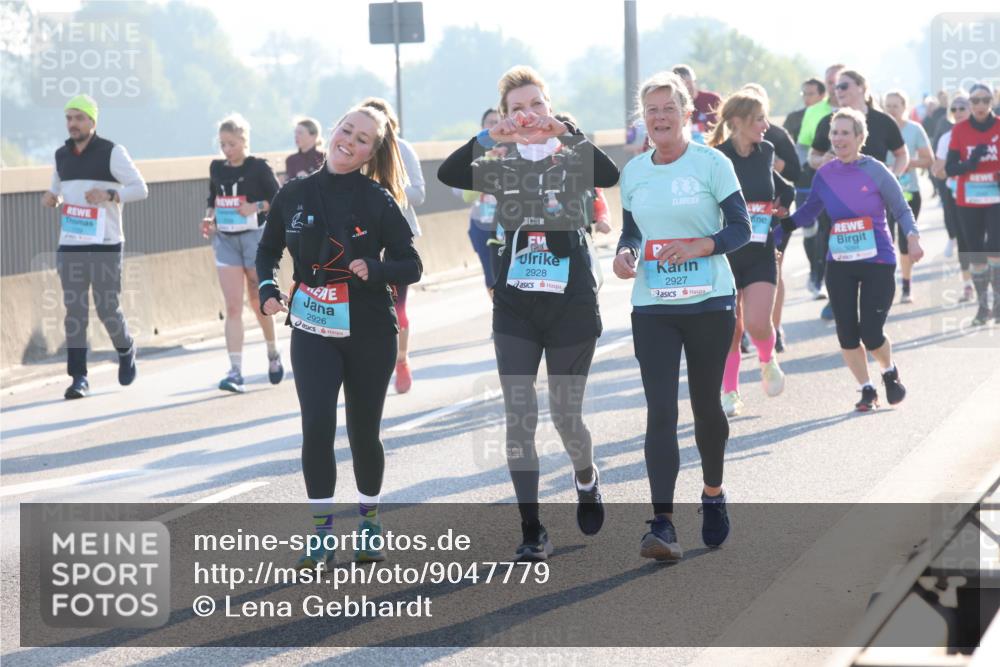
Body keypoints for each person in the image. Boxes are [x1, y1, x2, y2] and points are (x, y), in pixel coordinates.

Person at [438, 65, 620, 561]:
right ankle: (532, 529)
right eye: (517, 109)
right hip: (517, 305)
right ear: (507, 119)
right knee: (520, 417)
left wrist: (568, 132)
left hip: (572, 304)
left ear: (549, 106)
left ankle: (586, 478)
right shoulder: (503, 166)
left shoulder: (572, 159)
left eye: (536, 104)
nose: (529, 114)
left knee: (566, 417)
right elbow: (449, 173)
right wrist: (486, 135)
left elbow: (610, 175)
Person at [257, 103, 422, 567]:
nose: (350, 140)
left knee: (363, 432)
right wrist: (268, 286)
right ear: (333, 131)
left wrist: (376, 267)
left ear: (372, 152)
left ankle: (369, 521)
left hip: (369, 328)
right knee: (316, 427)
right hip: (313, 326)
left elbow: (412, 263)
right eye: (347, 130)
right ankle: (321, 532)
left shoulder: (378, 200)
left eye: (363, 138)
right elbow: (268, 249)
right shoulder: (294, 194)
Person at [614, 71, 751, 561]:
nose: (659, 117)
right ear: (643, 120)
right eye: (651, 110)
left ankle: (712, 493)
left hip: (709, 302)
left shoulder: (712, 164)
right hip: (653, 307)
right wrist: (625, 255)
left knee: (705, 407)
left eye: (668, 108)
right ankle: (663, 523)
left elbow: (742, 228)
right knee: (660, 412)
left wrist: (701, 244)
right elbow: (631, 231)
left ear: (686, 113)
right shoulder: (634, 172)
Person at [780, 109, 924, 411]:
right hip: (840, 263)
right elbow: (810, 210)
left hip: (878, 261)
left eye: (846, 133)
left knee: (871, 333)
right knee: (846, 333)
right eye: (835, 133)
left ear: (860, 137)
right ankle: (866, 388)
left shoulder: (876, 170)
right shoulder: (826, 173)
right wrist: (780, 228)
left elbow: (901, 208)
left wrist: (912, 237)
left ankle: (888, 371)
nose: (839, 138)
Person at [41, 95, 148, 399]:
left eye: (78, 118)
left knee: (106, 308)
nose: (72, 123)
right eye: (68, 118)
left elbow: (140, 189)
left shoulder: (112, 152)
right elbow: (56, 190)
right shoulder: (61, 155)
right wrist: (51, 199)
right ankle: (79, 378)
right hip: (71, 244)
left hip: (106, 244)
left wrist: (110, 195)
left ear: (92, 121)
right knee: (74, 312)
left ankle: (125, 348)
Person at [707, 91, 794, 417]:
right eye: (759, 119)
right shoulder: (715, 157)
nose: (766, 125)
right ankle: (730, 392)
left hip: (760, 251)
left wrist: (784, 205)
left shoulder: (766, 151)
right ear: (737, 123)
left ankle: (767, 358)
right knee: (730, 329)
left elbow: (781, 185)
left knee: (758, 324)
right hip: (726, 254)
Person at [200, 114, 283, 393]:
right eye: (223, 144)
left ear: (244, 140)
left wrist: (257, 206)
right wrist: (209, 218)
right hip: (225, 239)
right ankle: (235, 371)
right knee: (233, 305)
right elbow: (213, 199)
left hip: (255, 239)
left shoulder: (258, 167)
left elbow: (279, 200)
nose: (226, 150)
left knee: (259, 299)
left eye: (231, 144)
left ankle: (272, 352)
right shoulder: (217, 168)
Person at [359, 97, 426, 394]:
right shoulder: (359, 151)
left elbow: (419, 194)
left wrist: (386, 194)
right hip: (365, 237)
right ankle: (371, 364)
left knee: (396, 308)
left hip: (397, 236)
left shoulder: (403, 149)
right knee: (368, 308)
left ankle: (401, 359)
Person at [741, 83, 801, 353]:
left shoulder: (774, 136)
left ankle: (773, 328)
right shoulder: (725, 150)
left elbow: (795, 174)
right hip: (742, 223)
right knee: (741, 280)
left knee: (771, 272)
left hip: (771, 219)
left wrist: (768, 165)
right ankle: (744, 330)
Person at [945, 82, 1000, 325]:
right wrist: (970, 164)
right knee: (976, 252)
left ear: (992, 102)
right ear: (969, 104)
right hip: (968, 199)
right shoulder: (960, 130)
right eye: (975, 101)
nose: (980, 105)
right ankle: (982, 307)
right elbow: (950, 168)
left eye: (985, 100)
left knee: (995, 249)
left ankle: (998, 304)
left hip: (996, 197)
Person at [883, 91, 933, 304]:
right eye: (888, 105)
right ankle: (885, 286)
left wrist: (903, 163)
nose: (892, 109)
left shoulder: (914, 129)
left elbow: (928, 160)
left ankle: (906, 286)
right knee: (885, 240)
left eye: (896, 105)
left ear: (905, 106)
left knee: (905, 241)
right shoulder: (879, 129)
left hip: (909, 192)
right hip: (882, 193)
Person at [788, 78, 831, 302]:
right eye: (804, 93)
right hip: (803, 181)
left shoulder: (829, 116)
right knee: (809, 229)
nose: (806, 98)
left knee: (824, 228)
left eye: (811, 94)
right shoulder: (795, 118)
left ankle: (817, 275)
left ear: (822, 95)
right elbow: (786, 147)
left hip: (825, 181)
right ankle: (814, 267)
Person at [931, 93, 974, 302]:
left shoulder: (986, 133)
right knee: (964, 240)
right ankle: (968, 285)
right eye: (954, 109)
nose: (957, 112)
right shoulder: (947, 138)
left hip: (986, 194)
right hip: (956, 193)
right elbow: (938, 169)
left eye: (962, 108)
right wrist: (945, 170)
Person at [454, 108, 502, 299]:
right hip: (482, 224)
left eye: (498, 121)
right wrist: (488, 160)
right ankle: (499, 312)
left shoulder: (515, 151)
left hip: (508, 223)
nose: (494, 125)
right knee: (491, 278)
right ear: (482, 127)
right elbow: (466, 195)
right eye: (490, 122)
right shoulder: (477, 154)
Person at [673, 64, 721, 140]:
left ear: (695, 81)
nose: (686, 88)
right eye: (682, 85)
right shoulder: (670, 107)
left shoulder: (712, 100)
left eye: (689, 83)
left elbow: (726, 126)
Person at [284, 117, 326, 182]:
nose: (296, 136)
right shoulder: (291, 160)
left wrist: (308, 179)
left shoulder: (323, 158)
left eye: (300, 133)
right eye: (295, 133)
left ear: (314, 136)